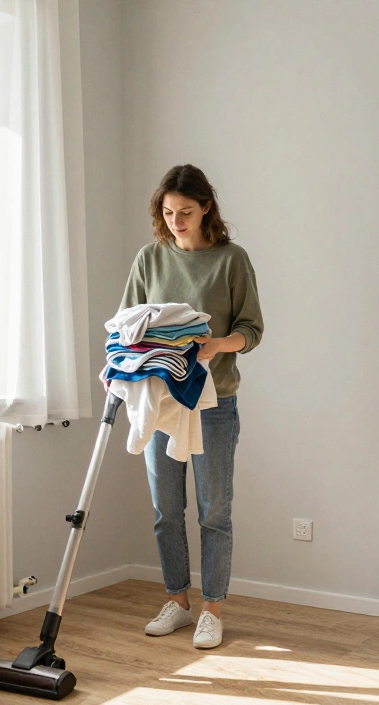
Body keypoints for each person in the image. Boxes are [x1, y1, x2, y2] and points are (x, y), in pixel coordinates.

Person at [116, 164, 264, 650]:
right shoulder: (149, 259)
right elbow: (126, 326)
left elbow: (252, 328)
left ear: (206, 210)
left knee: (214, 511)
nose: (176, 221)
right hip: (160, 401)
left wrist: (218, 344)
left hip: (215, 402)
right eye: (168, 212)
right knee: (166, 511)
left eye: (186, 212)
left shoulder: (231, 260)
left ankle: (211, 609)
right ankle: (177, 602)